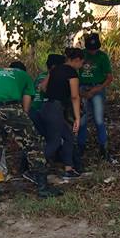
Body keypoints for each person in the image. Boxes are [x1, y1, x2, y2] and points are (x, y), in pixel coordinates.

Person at [0, 61, 61, 211]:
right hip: (10, 108)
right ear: (23, 70)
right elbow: (27, 104)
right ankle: (43, 188)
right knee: (33, 144)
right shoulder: (24, 76)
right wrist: (22, 127)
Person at [45, 48, 85, 178]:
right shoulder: (71, 72)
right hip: (56, 108)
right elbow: (75, 96)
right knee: (55, 141)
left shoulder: (55, 69)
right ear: (77, 60)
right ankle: (35, 166)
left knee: (68, 137)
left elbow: (43, 87)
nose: (81, 66)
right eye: (82, 63)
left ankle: (69, 168)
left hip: (47, 106)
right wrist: (77, 118)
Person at [77, 32, 115, 162]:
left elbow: (109, 77)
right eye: (90, 49)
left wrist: (98, 88)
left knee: (99, 120)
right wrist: (80, 91)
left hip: (97, 87)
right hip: (82, 87)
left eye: (95, 49)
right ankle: (80, 147)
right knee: (82, 120)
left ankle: (103, 148)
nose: (93, 52)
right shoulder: (81, 55)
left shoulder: (102, 57)